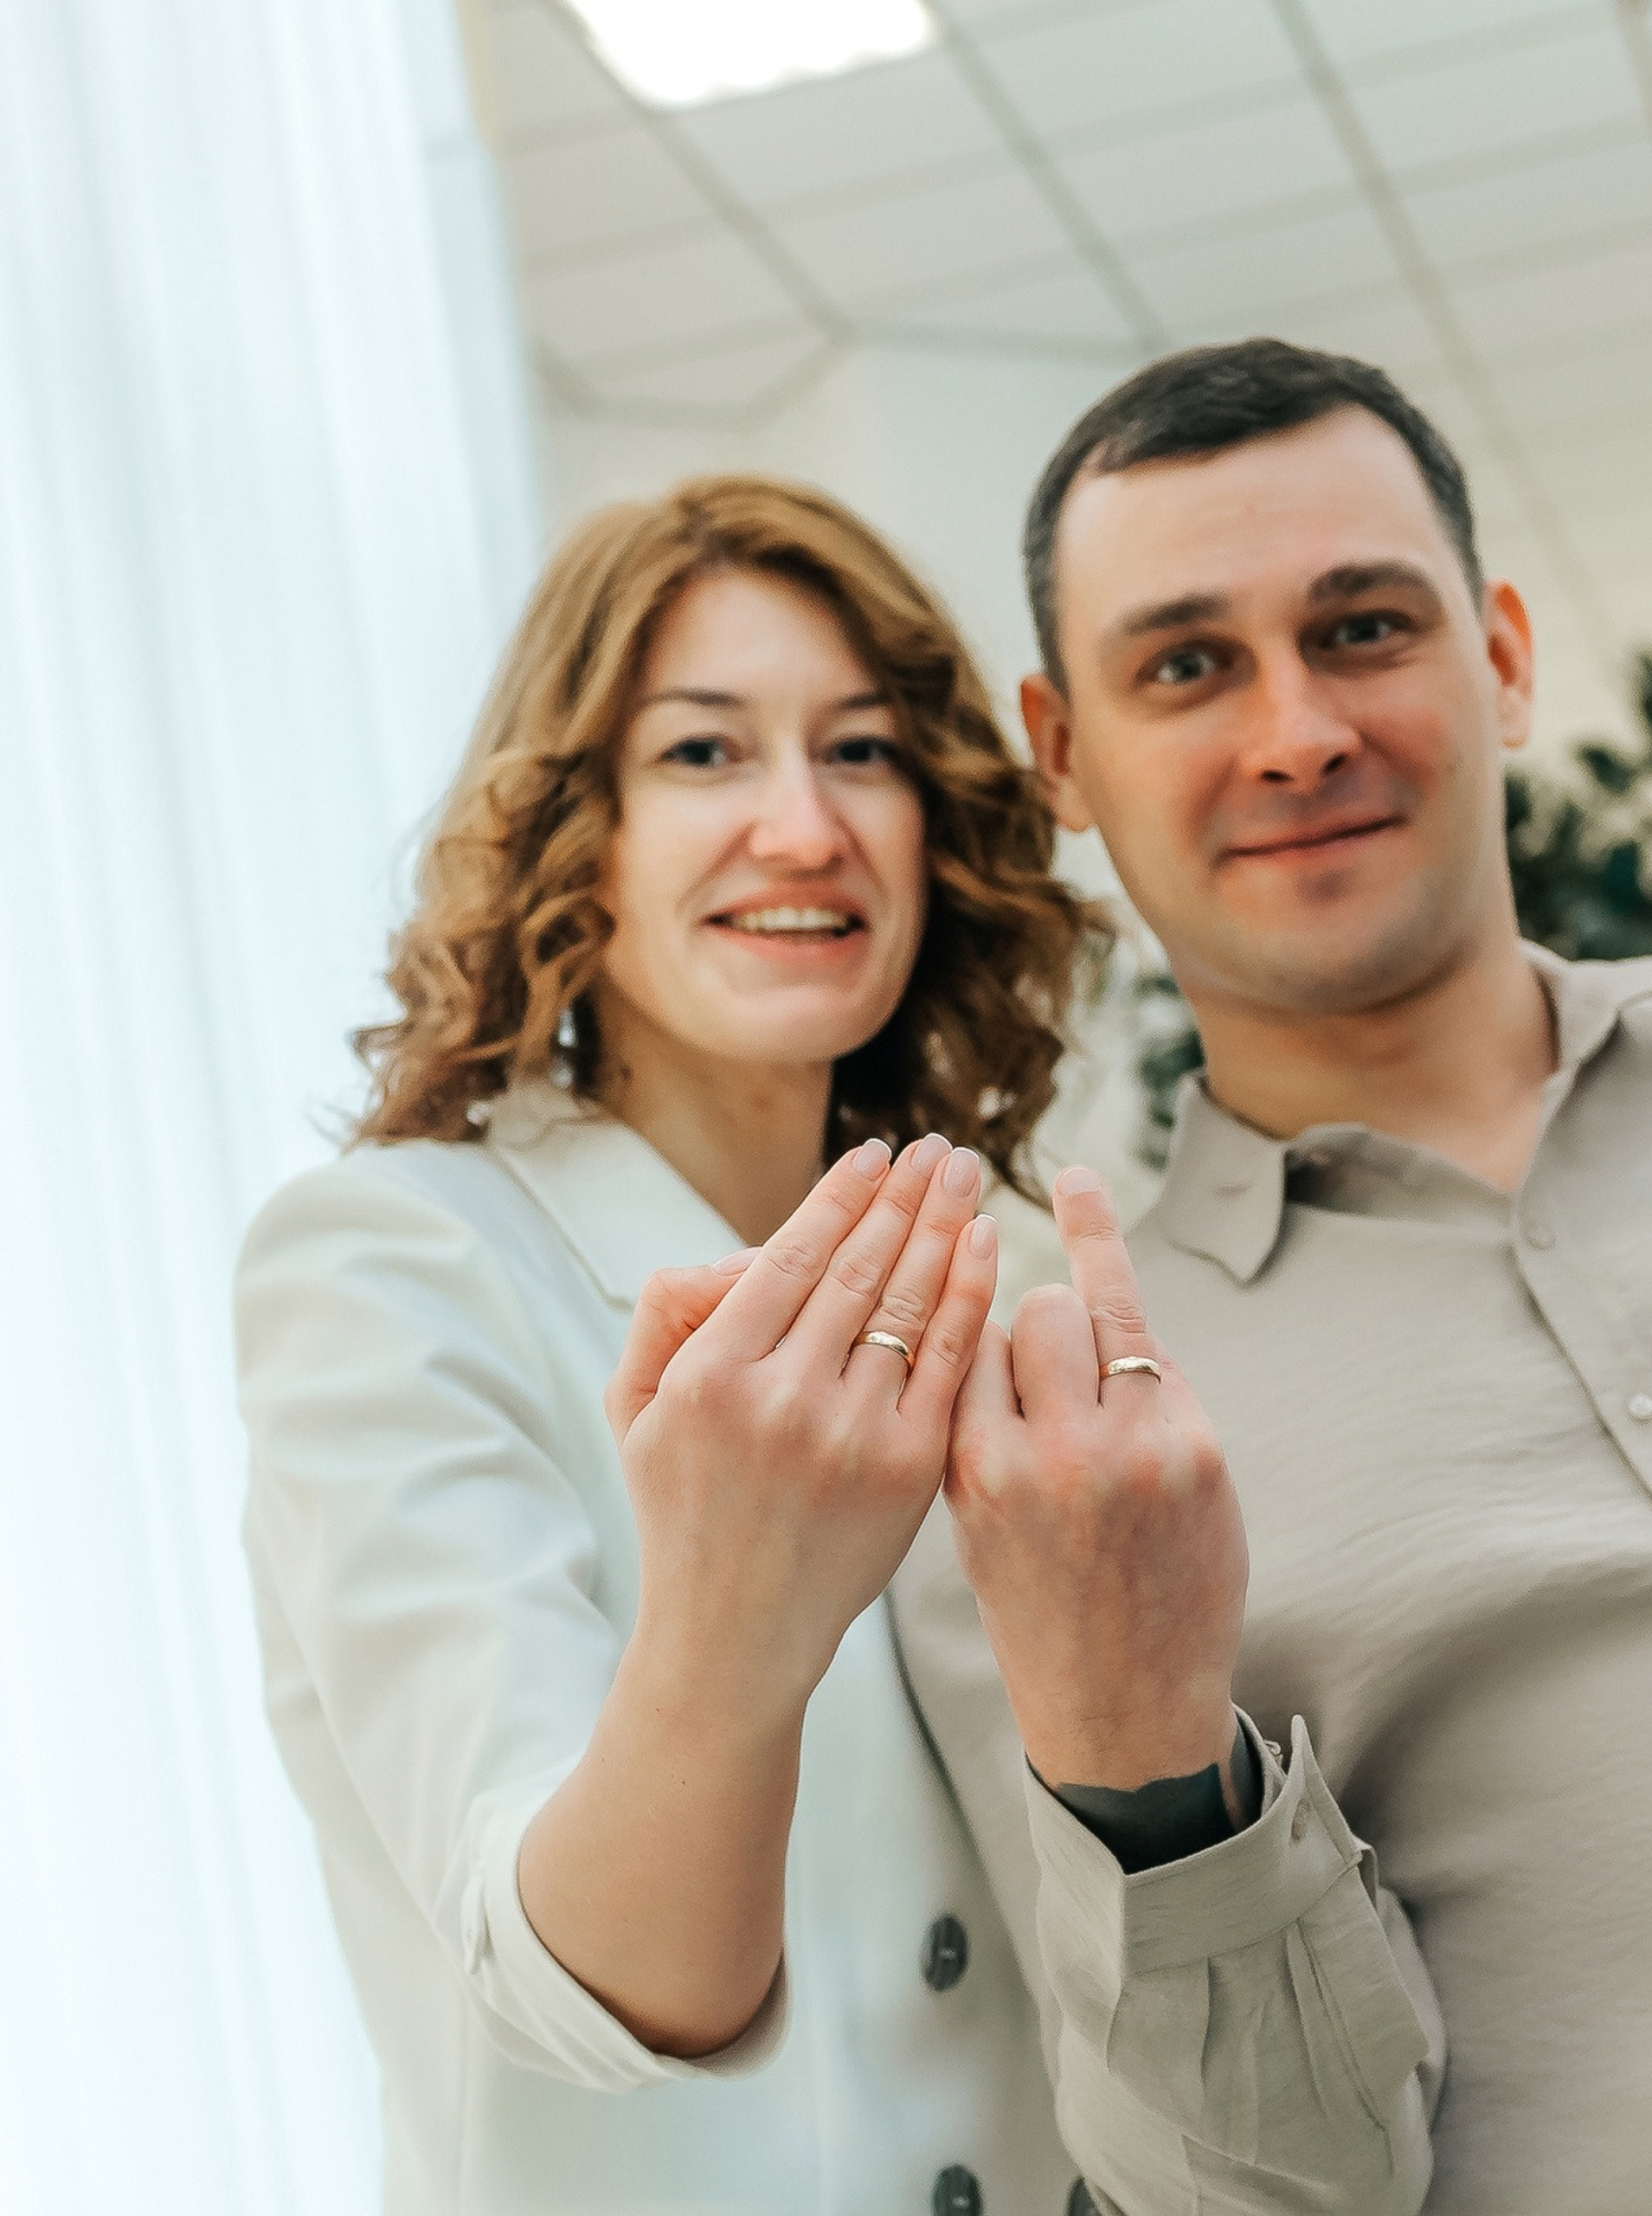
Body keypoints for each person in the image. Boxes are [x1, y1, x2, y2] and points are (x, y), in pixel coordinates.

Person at [892, 339, 1652, 2216]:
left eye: (1360, 626)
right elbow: (1251, 2198)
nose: (1294, 730)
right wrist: (1136, 1761)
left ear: (1502, 655)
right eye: (1187, 664)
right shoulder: (1035, 1442)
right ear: (1063, 753)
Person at [235, 476, 1117, 2215]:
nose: (803, 826)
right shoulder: (393, 1260)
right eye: (704, 755)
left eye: (861, 752)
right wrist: (744, 1611)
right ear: (582, 833)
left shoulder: (1008, 1268)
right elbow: (580, 1971)